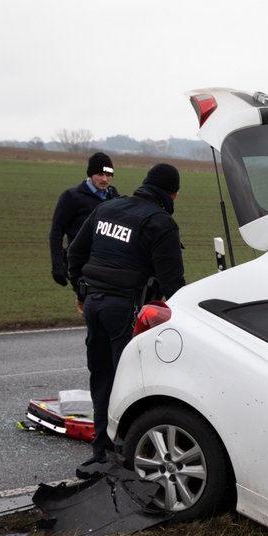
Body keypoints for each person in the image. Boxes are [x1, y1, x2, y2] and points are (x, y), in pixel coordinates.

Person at [67, 163, 186, 474]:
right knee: (130, 381)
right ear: (172, 193)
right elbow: (173, 284)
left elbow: (75, 254)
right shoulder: (160, 223)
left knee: (102, 376)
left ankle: (100, 451)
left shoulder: (107, 208)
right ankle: (125, 454)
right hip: (127, 310)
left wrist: (81, 293)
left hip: (94, 305)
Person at [49, 152, 119, 287]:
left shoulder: (114, 198)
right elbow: (57, 231)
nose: (105, 179)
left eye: (109, 175)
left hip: (107, 266)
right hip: (81, 266)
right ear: (90, 174)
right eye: (100, 174)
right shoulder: (71, 197)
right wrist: (57, 266)